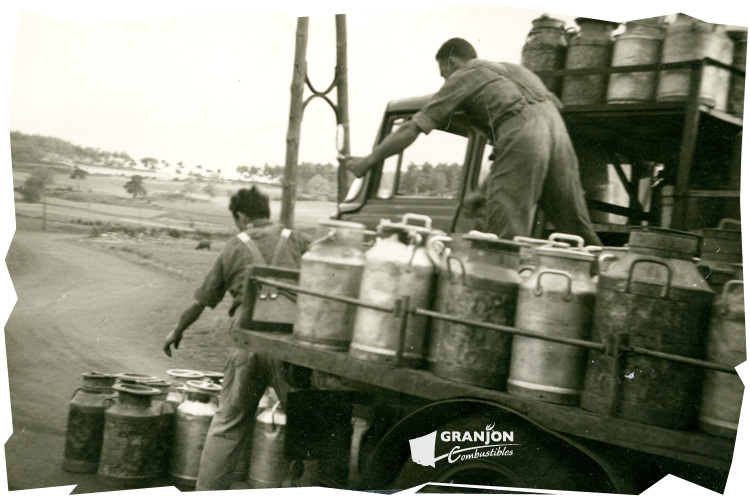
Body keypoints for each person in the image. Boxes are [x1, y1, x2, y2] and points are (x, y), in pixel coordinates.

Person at [347, 38, 602, 246]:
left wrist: (368, 161)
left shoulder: (465, 74)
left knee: (505, 231)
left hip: (525, 130)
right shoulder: (514, 71)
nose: (445, 82)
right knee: (576, 226)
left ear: (453, 62)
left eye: (444, 74)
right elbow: (514, 148)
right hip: (557, 129)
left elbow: (413, 127)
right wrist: (481, 191)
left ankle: (498, 297)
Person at [163, 186, 309, 490]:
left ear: (241, 216)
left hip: (248, 346)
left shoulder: (233, 247)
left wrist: (177, 330)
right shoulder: (297, 239)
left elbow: (201, 301)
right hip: (293, 349)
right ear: (266, 212)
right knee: (313, 426)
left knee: (228, 425)